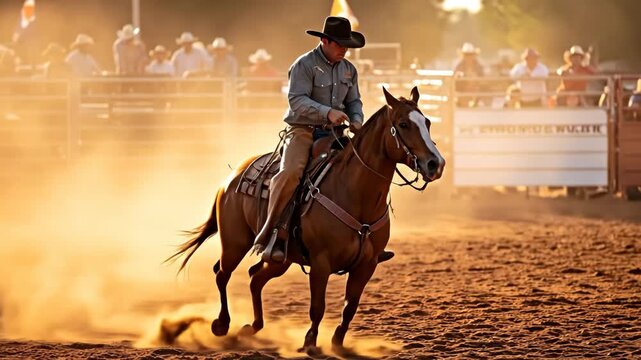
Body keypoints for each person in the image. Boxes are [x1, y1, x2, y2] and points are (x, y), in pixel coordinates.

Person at [252, 16, 393, 263]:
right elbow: (296, 100)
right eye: (339, 44)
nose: (344, 49)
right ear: (325, 41)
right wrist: (326, 112)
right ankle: (272, 234)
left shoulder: (349, 69)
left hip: (336, 133)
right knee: (292, 173)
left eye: (346, 45)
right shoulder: (304, 65)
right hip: (303, 130)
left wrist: (357, 118)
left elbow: (354, 101)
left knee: (364, 169)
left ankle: (367, 238)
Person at [453, 42, 485, 107]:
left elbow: (483, 78)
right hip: (462, 90)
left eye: (470, 54)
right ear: (463, 55)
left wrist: (475, 79)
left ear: (474, 55)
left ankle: (475, 102)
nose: (469, 57)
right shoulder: (459, 66)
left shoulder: (478, 66)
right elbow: (455, 78)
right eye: (466, 55)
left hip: (476, 91)